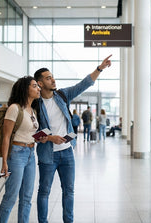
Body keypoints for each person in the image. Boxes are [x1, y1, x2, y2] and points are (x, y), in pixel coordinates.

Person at [33, 54, 112, 223]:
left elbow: (83, 84)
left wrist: (100, 68)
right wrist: (49, 137)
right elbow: (32, 133)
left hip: (67, 153)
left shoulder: (62, 95)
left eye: (52, 77)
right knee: (44, 191)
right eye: (48, 78)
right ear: (40, 83)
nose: (53, 80)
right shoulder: (35, 104)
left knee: (69, 191)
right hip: (48, 155)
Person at [0, 76, 45, 223]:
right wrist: (4, 162)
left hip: (31, 153)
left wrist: (39, 137)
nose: (39, 89)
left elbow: (28, 133)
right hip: (17, 154)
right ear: (26, 89)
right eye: (35, 86)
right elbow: (6, 137)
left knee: (27, 197)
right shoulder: (14, 108)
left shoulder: (32, 110)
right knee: (11, 197)